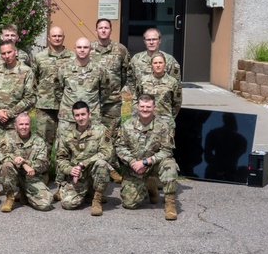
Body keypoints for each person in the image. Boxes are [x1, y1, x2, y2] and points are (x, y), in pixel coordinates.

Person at [115, 94, 179, 220]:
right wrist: (133, 162)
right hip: (134, 167)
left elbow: (167, 150)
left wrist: (145, 162)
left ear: (154, 107)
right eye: (142, 106)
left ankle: (170, 204)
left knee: (170, 165)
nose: (145, 109)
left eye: (148, 107)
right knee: (130, 203)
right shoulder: (127, 125)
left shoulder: (163, 126)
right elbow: (119, 147)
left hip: (154, 164)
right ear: (137, 107)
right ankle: (149, 186)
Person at [0, 40, 36, 193]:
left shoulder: (26, 71)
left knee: (17, 153)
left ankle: (19, 185)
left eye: (9, 52)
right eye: (3, 53)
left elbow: (30, 98)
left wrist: (10, 113)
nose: (6, 56)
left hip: (16, 121)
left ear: (16, 52)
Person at [90, 18, 130, 183]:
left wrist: (116, 90)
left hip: (112, 101)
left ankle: (112, 168)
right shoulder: (89, 48)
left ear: (111, 30)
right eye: (101, 27)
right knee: (93, 135)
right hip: (92, 101)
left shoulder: (120, 50)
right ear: (96, 30)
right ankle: (95, 168)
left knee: (112, 134)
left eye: (106, 27)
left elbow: (125, 73)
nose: (104, 30)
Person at [56, 101, 112, 216]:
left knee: (102, 163)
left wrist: (82, 164)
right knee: (68, 204)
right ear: (73, 116)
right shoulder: (67, 133)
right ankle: (80, 191)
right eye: (77, 115)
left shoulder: (100, 130)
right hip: (77, 176)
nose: (80, 118)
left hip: (93, 172)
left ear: (89, 114)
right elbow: (61, 158)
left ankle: (96, 199)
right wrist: (70, 170)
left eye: (83, 114)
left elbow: (106, 153)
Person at [0, 112, 53, 213]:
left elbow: (44, 163)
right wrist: (22, 164)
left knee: (45, 204)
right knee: (6, 166)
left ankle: (25, 193)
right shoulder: (8, 138)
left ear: (31, 125)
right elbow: (3, 156)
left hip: (31, 177)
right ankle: (10, 197)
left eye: (26, 124)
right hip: (14, 175)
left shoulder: (38, 141)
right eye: (21, 124)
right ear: (15, 125)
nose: (24, 127)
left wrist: (27, 162)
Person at [31, 26, 73, 150]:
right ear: (49, 38)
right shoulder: (39, 57)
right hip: (45, 106)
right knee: (43, 143)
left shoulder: (72, 57)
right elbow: (34, 80)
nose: (57, 38)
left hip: (66, 106)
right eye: (54, 36)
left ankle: (63, 169)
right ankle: (43, 169)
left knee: (66, 141)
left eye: (60, 36)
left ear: (64, 37)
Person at [56, 37, 110, 130]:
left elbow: (105, 91)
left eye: (85, 47)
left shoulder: (99, 69)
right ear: (74, 49)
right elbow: (58, 90)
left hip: (91, 116)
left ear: (90, 49)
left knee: (92, 143)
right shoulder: (64, 68)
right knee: (65, 144)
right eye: (79, 47)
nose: (82, 50)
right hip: (68, 117)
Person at [135, 53, 182, 122]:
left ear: (165, 64)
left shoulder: (173, 82)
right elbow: (137, 98)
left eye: (160, 63)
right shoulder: (143, 81)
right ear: (151, 65)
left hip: (166, 122)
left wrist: (170, 117)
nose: (158, 65)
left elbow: (177, 103)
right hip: (147, 120)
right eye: (155, 63)